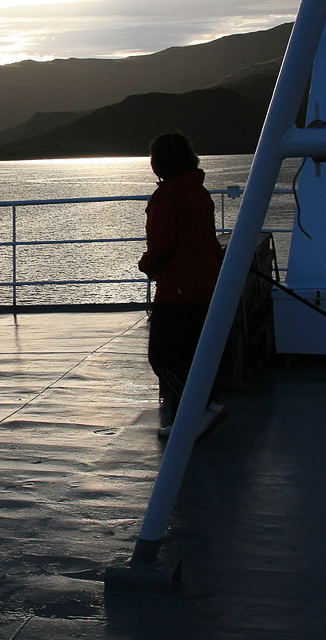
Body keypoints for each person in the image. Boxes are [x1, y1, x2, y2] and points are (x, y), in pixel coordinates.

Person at [137, 130, 226, 441]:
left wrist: (146, 265)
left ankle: (199, 409)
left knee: (162, 357)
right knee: (192, 355)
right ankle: (196, 412)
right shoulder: (199, 193)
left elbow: (162, 245)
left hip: (178, 290)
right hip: (206, 285)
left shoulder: (168, 196)